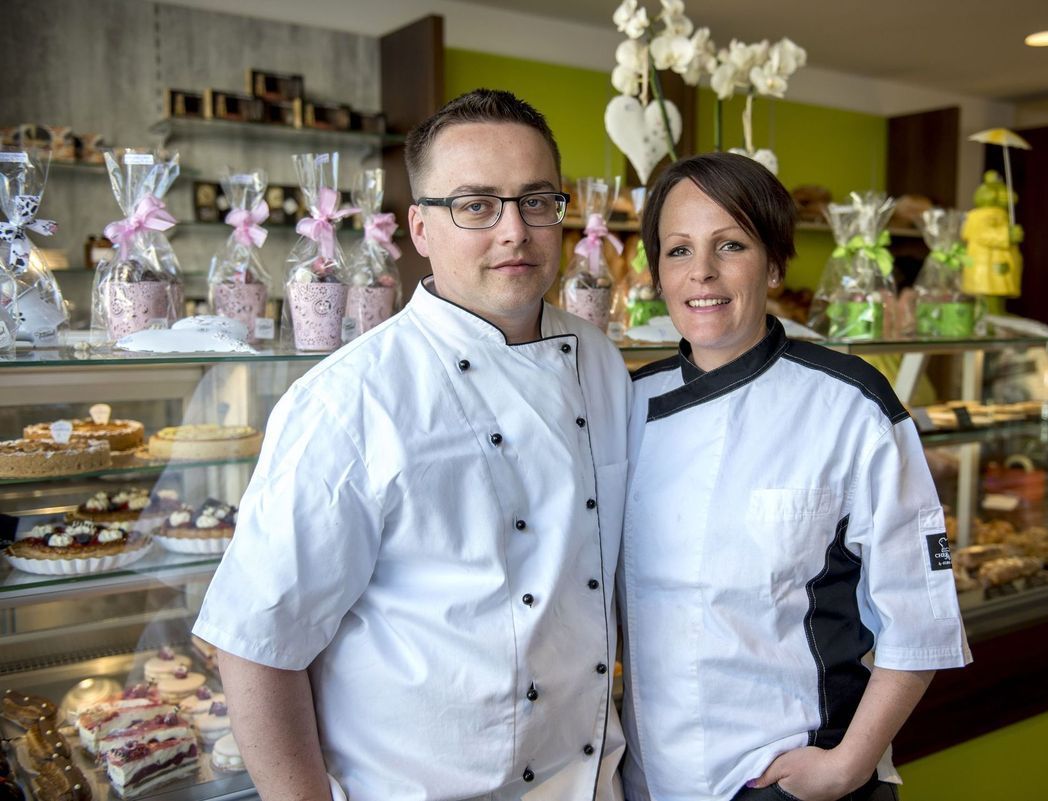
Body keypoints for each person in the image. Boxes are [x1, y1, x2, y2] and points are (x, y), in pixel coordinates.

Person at [193, 89, 631, 801]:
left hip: (591, 782)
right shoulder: (349, 399)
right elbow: (257, 647)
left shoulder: (600, 360)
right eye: (476, 205)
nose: (514, 230)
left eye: (536, 201)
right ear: (420, 227)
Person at [618, 152, 971, 801]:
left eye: (731, 244)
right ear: (656, 271)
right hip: (651, 777)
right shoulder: (625, 406)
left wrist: (845, 766)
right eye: (677, 250)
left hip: (798, 776)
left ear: (775, 262)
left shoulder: (850, 401)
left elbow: (918, 617)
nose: (702, 272)